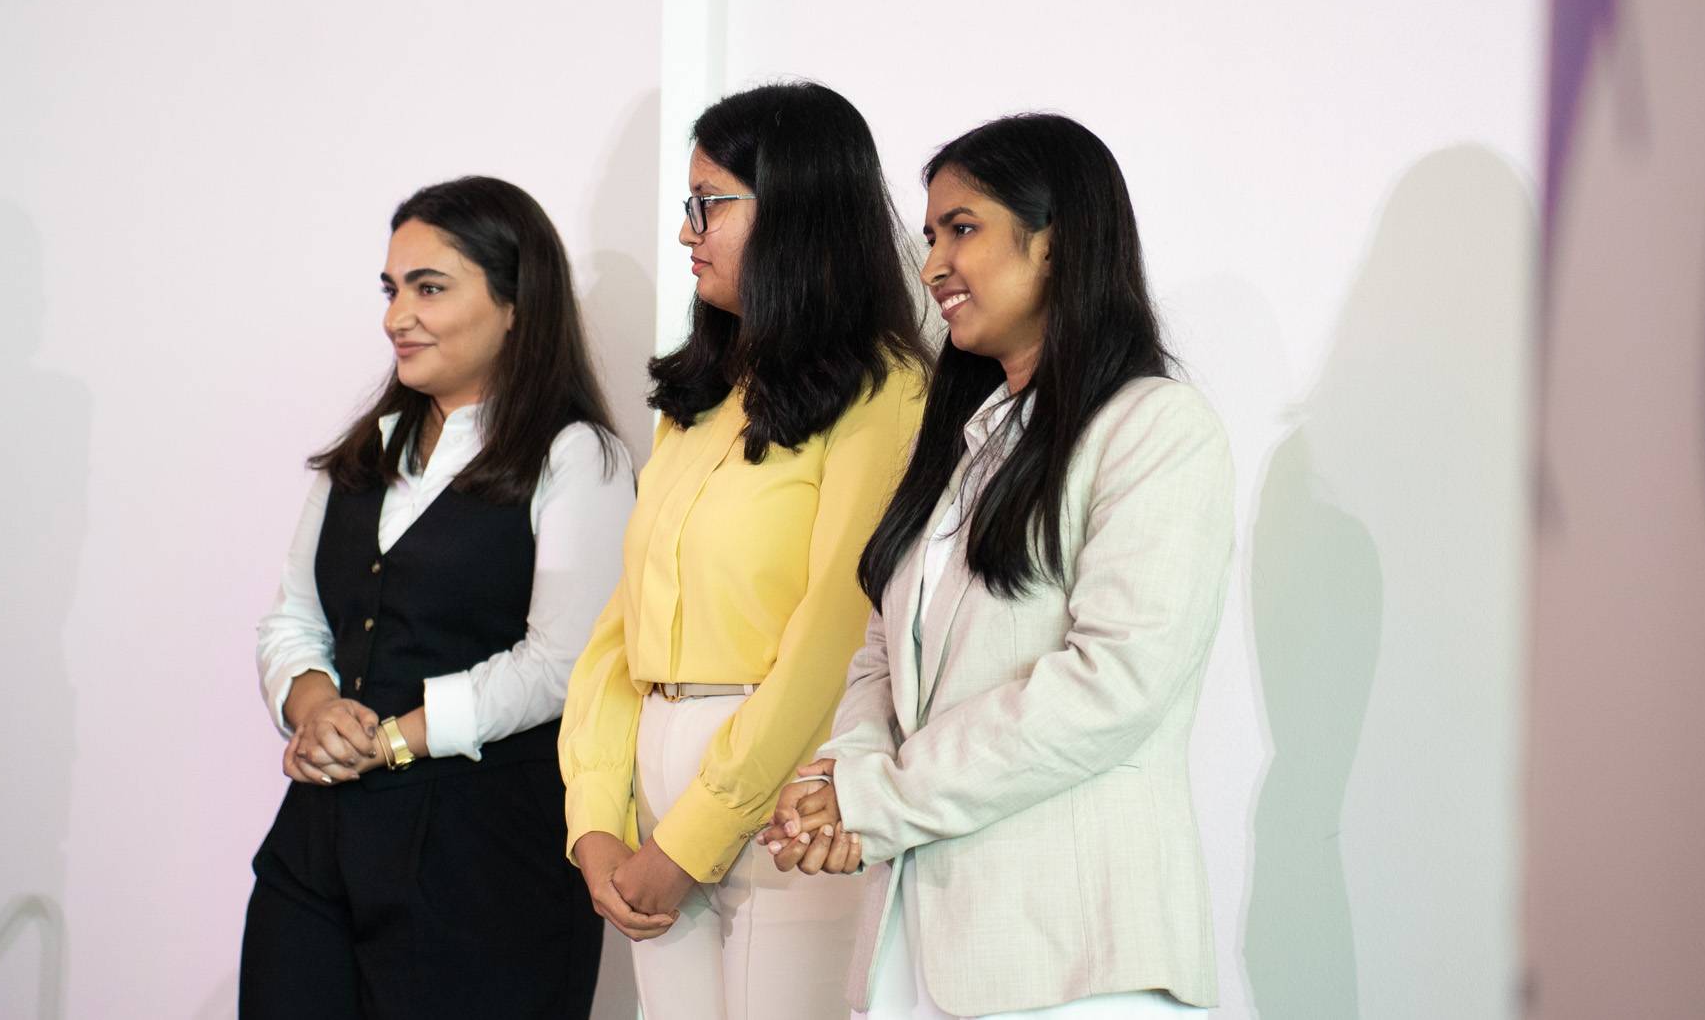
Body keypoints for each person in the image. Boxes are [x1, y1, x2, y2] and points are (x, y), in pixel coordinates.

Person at [763, 114, 1235, 1018]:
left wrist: (878, 796)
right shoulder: (966, 444)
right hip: (918, 944)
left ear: (1057, 242)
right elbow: (878, 656)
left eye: (962, 229)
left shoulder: (1155, 429)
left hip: (1077, 958)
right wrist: (843, 780)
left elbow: (1111, 684)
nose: (933, 262)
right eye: (931, 234)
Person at [556, 80, 929, 1019]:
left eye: (708, 204)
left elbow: (832, 635)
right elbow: (620, 629)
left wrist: (693, 834)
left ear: (797, 213)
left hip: (785, 788)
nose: (688, 231)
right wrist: (595, 815)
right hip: (656, 780)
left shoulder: (885, 391)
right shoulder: (706, 395)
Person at [241, 175, 633, 1018]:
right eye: (391, 289)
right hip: (318, 850)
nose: (396, 316)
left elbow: (561, 664)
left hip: (486, 860)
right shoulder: (365, 450)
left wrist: (395, 740)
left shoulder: (577, 458)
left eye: (429, 288)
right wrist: (312, 708)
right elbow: (294, 617)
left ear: (515, 303)